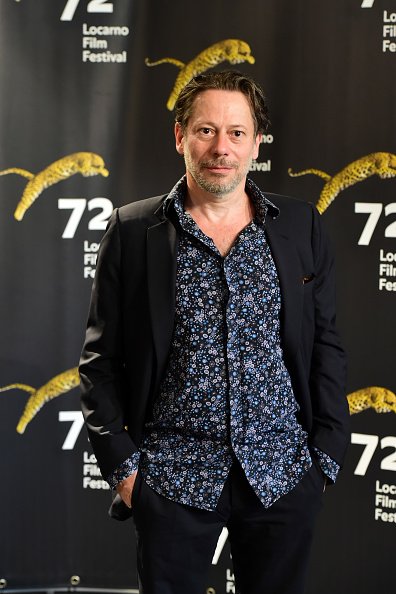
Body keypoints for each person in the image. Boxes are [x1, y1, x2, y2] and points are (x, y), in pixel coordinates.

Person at [79, 70, 350, 594]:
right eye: (205, 130)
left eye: (236, 132)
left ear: (256, 144)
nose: (220, 147)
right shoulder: (133, 232)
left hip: (283, 475)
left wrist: (324, 460)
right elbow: (100, 363)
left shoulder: (300, 226)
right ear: (180, 137)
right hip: (171, 480)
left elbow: (327, 346)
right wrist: (128, 474)